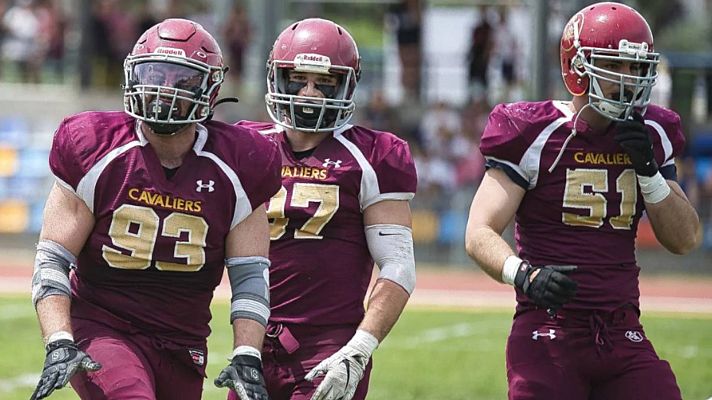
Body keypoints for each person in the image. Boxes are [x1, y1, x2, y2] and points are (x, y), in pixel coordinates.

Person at [30, 18, 280, 400]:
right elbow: (52, 258)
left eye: (181, 80)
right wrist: (59, 340)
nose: (164, 90)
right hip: (103, 326)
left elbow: (249, 274)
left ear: (209, 88)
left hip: (183, 338)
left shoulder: (243, 163)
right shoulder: (93, 146)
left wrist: (247, 353)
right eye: (154, 75)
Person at [464, 3, 701, 399]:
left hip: (622, 330)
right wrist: (523, 274)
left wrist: (649, 172)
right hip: (548, 327)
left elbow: (685, 239)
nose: (629, 79)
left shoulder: (653, 133)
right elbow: (478, 231)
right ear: (578, 67)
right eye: (615, 65)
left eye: (636, 67)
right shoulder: (534, 131)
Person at [233, 18, 418, 400]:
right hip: (252, 341)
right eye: (298, 79)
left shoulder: (374, 155)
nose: (309, 93)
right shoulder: (244, 144)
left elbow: (398, 264)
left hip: (330, 346)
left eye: (325, 82)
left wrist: (360, 348)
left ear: (348, 84)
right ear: (276, 79)